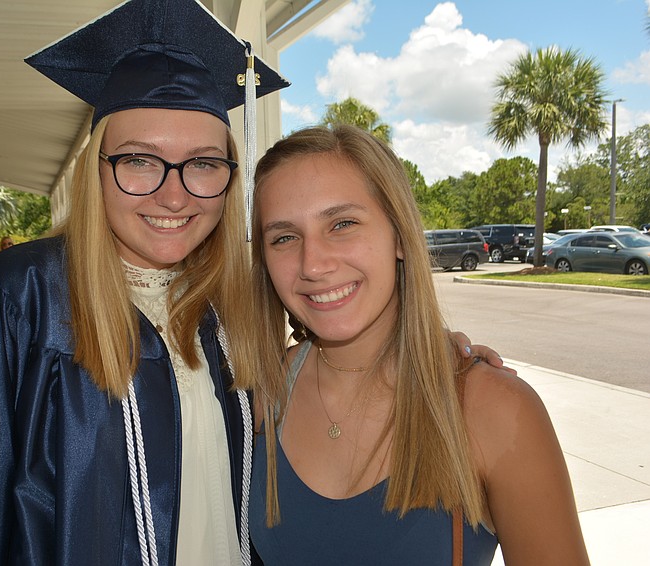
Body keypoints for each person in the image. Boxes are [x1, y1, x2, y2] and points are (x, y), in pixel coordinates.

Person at [0, 3, 498, 563]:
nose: (174, 194)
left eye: (203, 164)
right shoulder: (13, 302)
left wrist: (430, 353)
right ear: (98, 170)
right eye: (140, 161)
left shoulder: (235, 312)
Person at [247, 126, 589, 565]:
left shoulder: (494, 411)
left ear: (400, 236)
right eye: (284, 237)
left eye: (343, 224)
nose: (313, 263)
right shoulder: (263, 397)